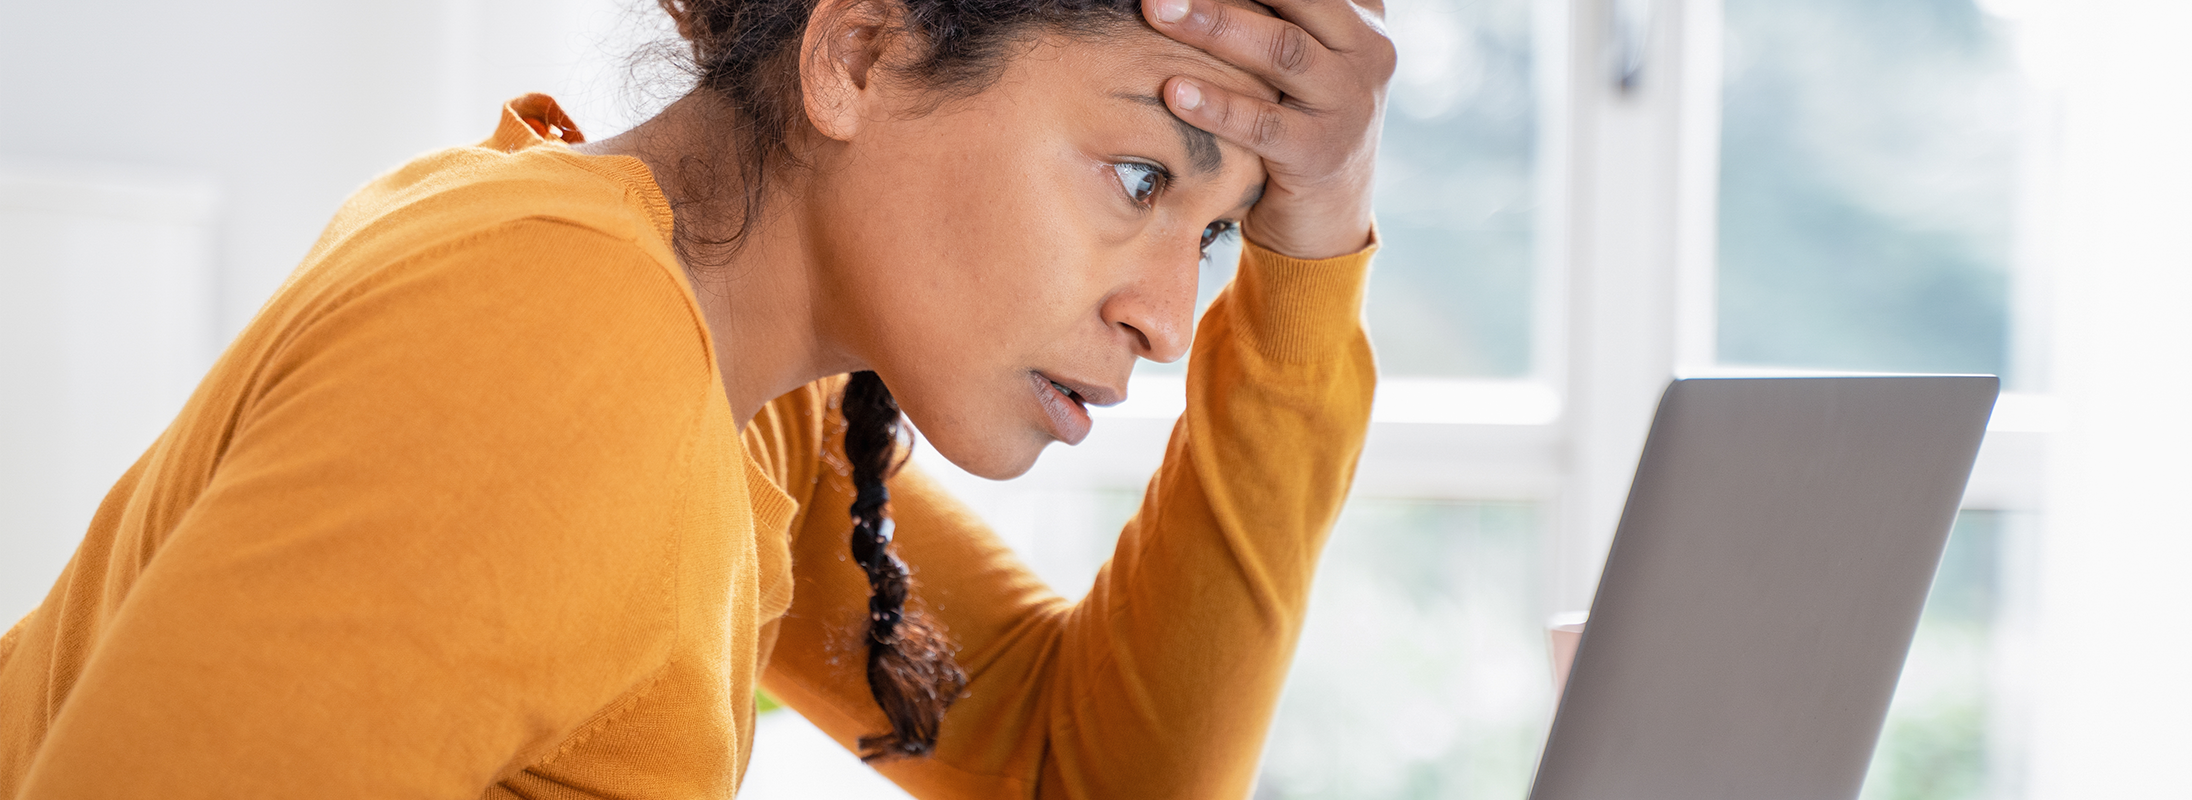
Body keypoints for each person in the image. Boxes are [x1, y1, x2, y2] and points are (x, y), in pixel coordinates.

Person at [0, 0, 1390, 792]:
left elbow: (1078, 768)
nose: (1163, 317)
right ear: (862, 54)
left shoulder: (738, 382)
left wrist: (1316, 233)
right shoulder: (556, 344)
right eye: (1141, 178)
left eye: (1213, 235)